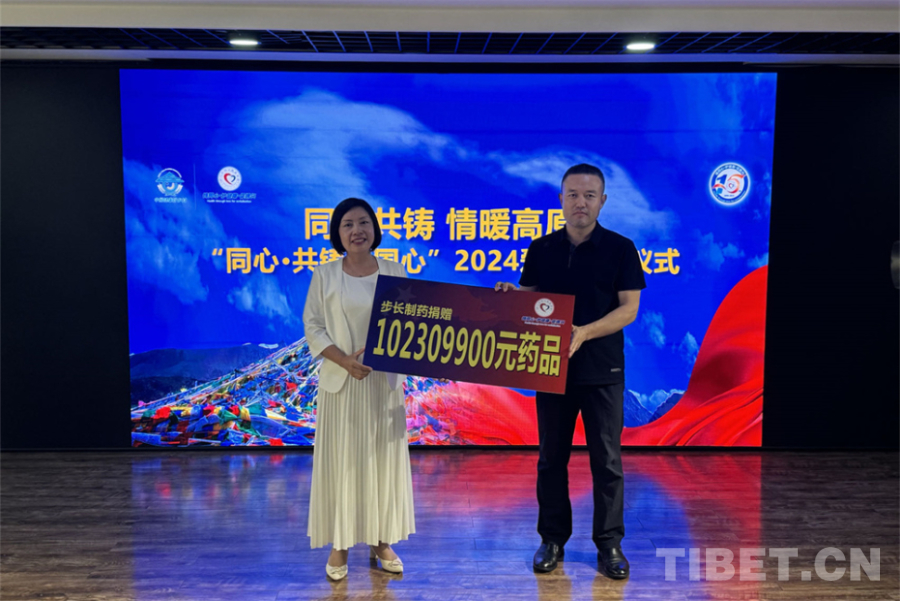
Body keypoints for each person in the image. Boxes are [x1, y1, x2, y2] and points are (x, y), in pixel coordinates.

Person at [495, 163, 645, 579]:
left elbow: (629, 309)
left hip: (603, 370)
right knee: (551, 460)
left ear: (603, 201)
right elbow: (529, 300)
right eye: (573, 195)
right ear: (561, 200)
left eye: (589, 195)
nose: (581, 202)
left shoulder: (621, 248)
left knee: (607, 462)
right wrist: (510, 295)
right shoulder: (541, 248)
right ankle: (552, 539)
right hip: (550, 369)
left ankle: (609, 544)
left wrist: (584, 333)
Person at [303, 197, 415, 581]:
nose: (357, 231)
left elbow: (413, 324)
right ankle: (340, 543)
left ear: (375, 229)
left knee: (381, 462)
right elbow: (313, 326)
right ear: (337, 233)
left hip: (384, 386)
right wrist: (343, 360)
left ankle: (381, 540)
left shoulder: (395, 271)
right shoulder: (325, 275)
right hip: (343, 385)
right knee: (344, 463)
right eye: (348, 224)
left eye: (364, 222)